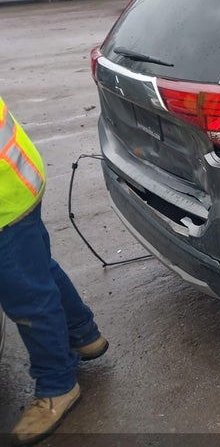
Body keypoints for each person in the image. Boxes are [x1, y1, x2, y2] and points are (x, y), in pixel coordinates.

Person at [0, 95, 108, 446]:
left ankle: (58, 385)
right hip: (17, 179)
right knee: (37, 270)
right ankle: (83, 333)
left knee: (27, 296)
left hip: (6, 201)